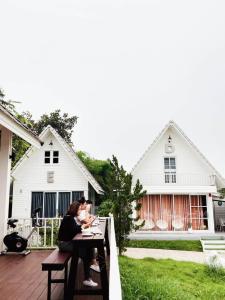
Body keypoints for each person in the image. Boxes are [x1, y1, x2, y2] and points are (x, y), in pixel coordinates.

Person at [58, 201, 99, 287]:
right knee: (85, 252)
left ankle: (89, 274)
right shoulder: (69, 218)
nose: (80, 211)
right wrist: (84, 226)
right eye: (79, 209)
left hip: (67, 242)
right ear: (75, 209)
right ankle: (86, 278)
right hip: (64, 244)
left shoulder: (69, 218)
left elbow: (75, 229)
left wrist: (83, 227)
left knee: (88, 248)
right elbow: (75, 230)